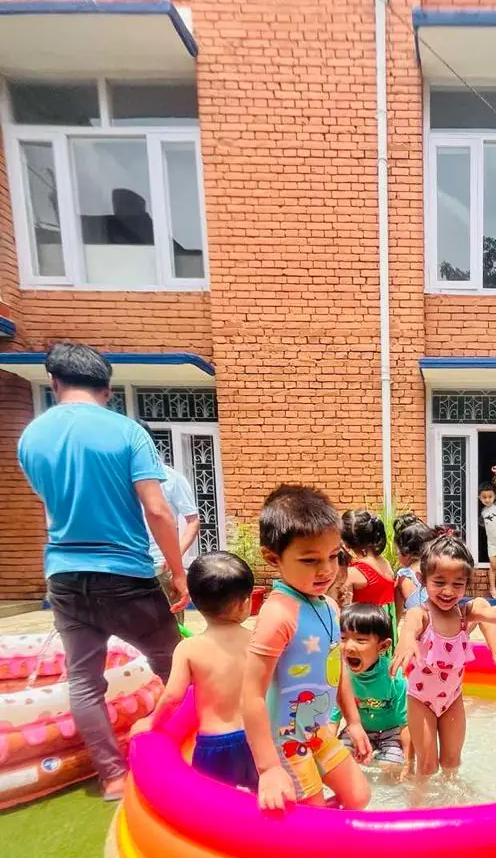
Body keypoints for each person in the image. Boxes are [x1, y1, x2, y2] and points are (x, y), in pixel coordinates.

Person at [17, 343, 187, 801]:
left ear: (55, 384)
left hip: (64, 573)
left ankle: (112, 777)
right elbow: (157, 509)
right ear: (106, 389)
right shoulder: (126, 432)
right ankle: (185, 753)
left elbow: (51, 509)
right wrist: (178, 572)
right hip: (124, 572)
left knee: (83, 679)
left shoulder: (31, 437)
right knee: (175, 661)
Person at [241, 485, 372, 811]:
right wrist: (268, 768)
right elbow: (251, 695)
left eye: (332, 556)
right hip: (285, 741)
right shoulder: (278, 615)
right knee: (311, 822)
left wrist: (353, 722)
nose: (326, 570)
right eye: (310, 560)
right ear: (273, 557)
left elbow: (336, 664)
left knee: (359, 796)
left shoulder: (328, 605)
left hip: (317, 729)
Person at [391, 532, 496, 777]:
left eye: (457, 584)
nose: (448, 591)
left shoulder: (464, 613)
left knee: (452, 763)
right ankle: (419, 807)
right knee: (427, 767)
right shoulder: (422, 614)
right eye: (439, 582)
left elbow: (491, 612)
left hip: (452, 699)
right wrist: (407, 641)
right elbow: (410, 626)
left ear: (467, 583)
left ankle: (452, 804)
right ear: (422, 579)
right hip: (421, 700)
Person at [131, 552, 258, 790]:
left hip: (214, 743)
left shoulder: (188, 648)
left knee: (212, 805)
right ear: (244, 603)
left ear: (195, 602)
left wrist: (152, 723)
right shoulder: (256, 641)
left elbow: (172, 697)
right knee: (257, 799)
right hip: (256, 737)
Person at [137, 422, 199, 624]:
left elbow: (193, 521)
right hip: (126, 567)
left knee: (171, 628)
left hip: (161, 567)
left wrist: (175, 557)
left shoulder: (171, 479)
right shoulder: (115, 480)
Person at [333, 603, 409, 769]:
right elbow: (333, 720)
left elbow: (406, 724)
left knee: (391, 768)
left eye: (360, 640)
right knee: (340, 762)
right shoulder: (340, 675)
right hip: (357, 730)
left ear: (383, 646)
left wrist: (409, 764)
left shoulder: (395, 677)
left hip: (391, 733)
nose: (349, 647)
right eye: (343, 638)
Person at [341, 509, 396, 638]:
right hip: (387, 632)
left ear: (346, 542)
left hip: (364, 635)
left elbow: (344, 612)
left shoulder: (352, 573)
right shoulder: (385, 563)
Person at [394, 518, 432, 618]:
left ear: (405, 552)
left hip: (419, 629)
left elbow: (397, 614)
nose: (396, 555)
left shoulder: (403, 575)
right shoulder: (436, 568)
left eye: (397, 551)